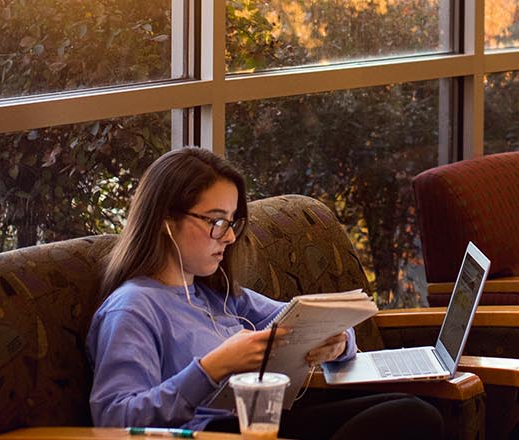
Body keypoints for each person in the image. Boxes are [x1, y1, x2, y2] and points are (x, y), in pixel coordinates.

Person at [87, 147, 443, 438]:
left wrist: (338, 341)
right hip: (212, 432)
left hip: (262, 420)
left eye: (231, 223)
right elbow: (113, 417)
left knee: (412, 409)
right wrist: (214, 366)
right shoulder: (132, 308)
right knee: (407, 415)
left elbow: (298, 317)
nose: (228, 237)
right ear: (167, 221)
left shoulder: (218, 294)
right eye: (215, 222)